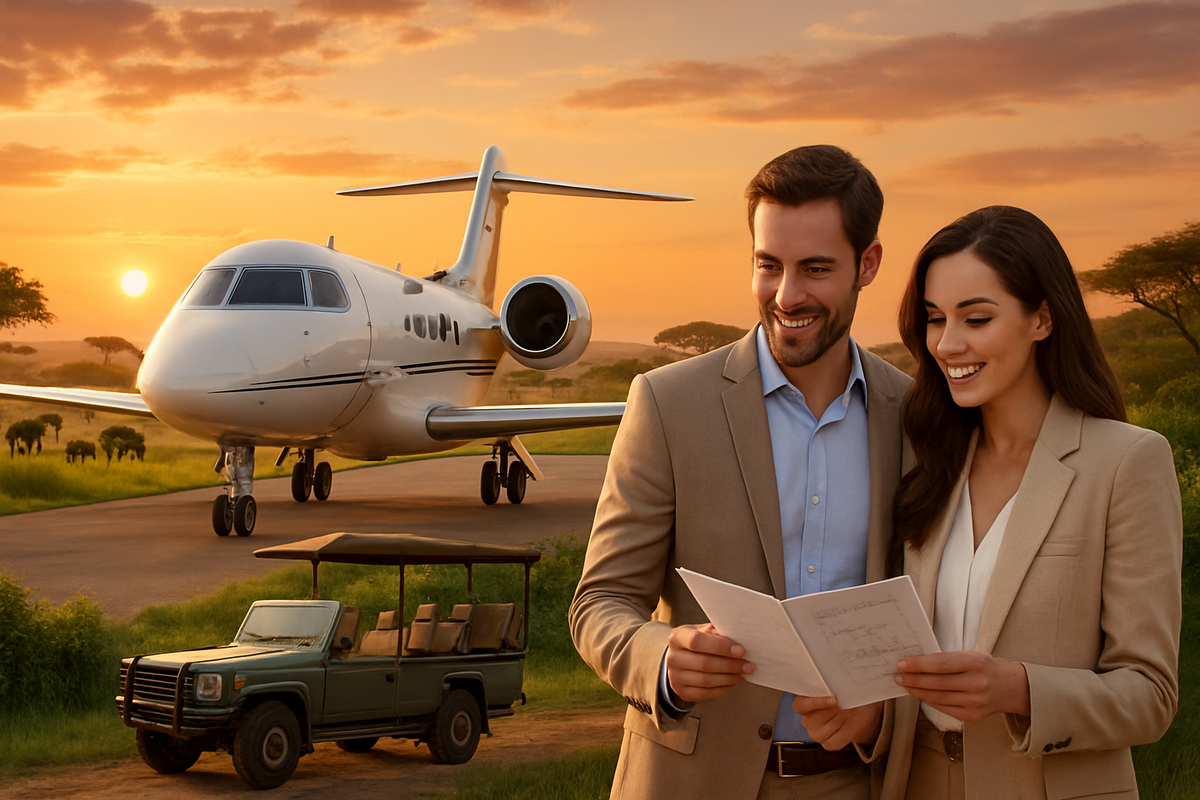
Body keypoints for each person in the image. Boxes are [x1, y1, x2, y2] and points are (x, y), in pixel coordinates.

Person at [568, 144, 912, 800]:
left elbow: (940, 621)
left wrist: (882, 713)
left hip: (856, 782)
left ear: (867, 265)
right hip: (689, 779)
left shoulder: (917, 418)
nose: (787, 295)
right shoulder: (668, 404)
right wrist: (660, 658)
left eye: (815, 268)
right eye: (768, 265)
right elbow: (600, 603)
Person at [880, 206, 1181, 799]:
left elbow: (1151, 696)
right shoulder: (925, 460)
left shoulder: (1126, 462)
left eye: (978, 318)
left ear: (1042, 318)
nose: (948, 343)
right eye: (936, 319)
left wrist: (1017, 688)